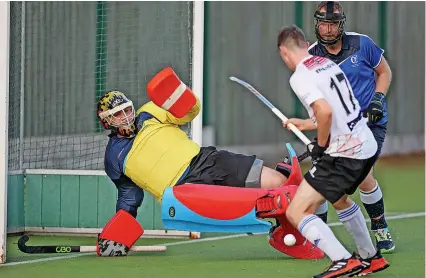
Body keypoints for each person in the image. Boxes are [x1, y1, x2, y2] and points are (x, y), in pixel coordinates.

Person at [277, 25, 389, 277]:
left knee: (297, 211)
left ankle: (342, 259)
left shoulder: (299, 76)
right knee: (337, 198)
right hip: (366, 145)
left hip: (344, 154)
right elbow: (336, 109)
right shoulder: (325, 64)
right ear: (306, 45)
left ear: (284, 52)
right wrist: (305, 123)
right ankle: (371, 257)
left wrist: (321, 145)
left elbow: (325, 112)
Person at [96, 90, 287, 218]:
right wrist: (120, 231)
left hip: (207, 160)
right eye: (118, 114)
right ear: (107, 122)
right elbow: (128, 197)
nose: (127, 116)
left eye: (128, 109)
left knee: (278, 182)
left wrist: (181, 94)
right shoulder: (113, 157)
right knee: (248, 205)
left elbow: (187, 113)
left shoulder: (149, 112)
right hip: (183, 190)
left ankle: (303, 214)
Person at [302, 1, 394, 253]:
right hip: (337, 127)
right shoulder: (311, 57)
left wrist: (378, 99)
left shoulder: (362, 44)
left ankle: (379, 225)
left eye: (332, 24)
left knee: (363, 177)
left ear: (341, 25)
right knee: (321, 175)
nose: (328, 30)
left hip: (371, 122)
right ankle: (319, 234)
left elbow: (384, 72)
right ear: (316, 25)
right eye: (323, 24)